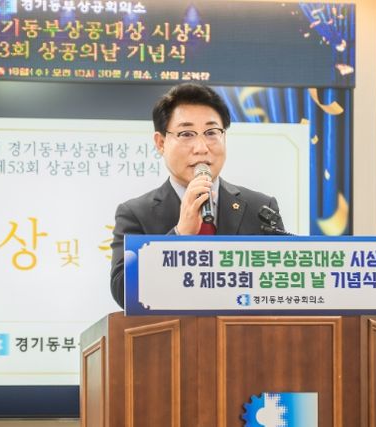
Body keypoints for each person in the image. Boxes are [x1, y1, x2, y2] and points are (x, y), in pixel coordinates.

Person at [110, 83, 284, 307]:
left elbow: (281, 286)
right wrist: (180, 235)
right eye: (186, 134)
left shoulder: (260, 207)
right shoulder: (135, 214)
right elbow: (124, 292)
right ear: (161, 143)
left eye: (211, 133)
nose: (201, 147)